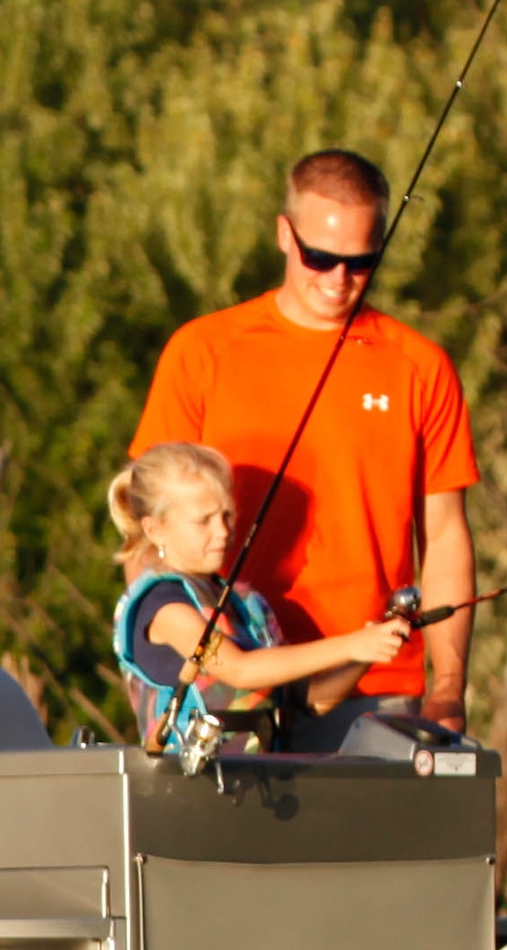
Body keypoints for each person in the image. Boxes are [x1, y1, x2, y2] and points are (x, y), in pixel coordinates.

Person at [127, 147, 479, 750]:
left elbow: (444, 536)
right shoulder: (203, 352)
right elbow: (146, 524)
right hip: (226, 693)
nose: (339, 279)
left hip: (372, 685)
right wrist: (162, 664)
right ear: (285, 236)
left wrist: (448, 685)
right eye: (321, 257)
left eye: (361, 263)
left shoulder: (420, 367)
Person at [108, 445, 410, 758]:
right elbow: (239, 670)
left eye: (227, 515)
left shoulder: (245, 603)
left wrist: (368, 652)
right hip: (192, 788)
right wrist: (350, 645)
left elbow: (313, 700)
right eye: (204, 520)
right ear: (155, 529)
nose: (223, 531)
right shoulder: (163, 606)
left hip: (264, 781)